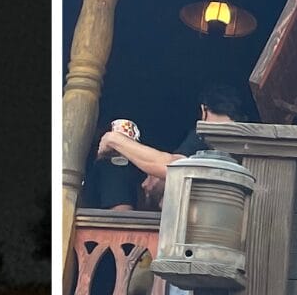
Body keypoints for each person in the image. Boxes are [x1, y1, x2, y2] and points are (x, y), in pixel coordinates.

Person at [96, 84, 249, 207]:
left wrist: (114, 139)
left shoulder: (206, 135)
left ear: (203, 110)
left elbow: (171, 167)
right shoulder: (247, 138)